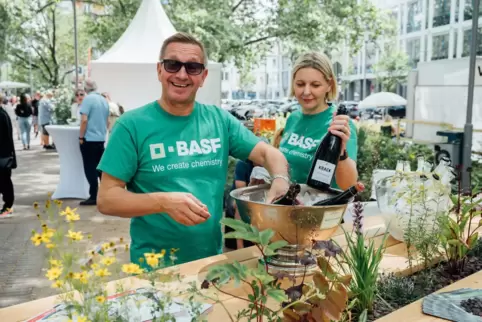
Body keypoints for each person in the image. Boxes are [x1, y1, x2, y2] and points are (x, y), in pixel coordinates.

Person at [96, 32, 290, 267]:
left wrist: (280, 179)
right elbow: (107, 199)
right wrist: (163, 202)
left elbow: (268, 153)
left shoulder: (219, 120)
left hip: (210, 263)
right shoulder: (132, 125)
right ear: (160, 70)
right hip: (153, 269)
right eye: (172, 64)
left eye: (192, 67)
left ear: (203, 76)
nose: (181, 74)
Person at [278, 52, 358, 190]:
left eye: (315, 85)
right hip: (290, 205)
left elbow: (348, 185)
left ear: (329, 85)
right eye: (300, 84)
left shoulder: (340, 124)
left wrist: (342, 153)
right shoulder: (293, 118)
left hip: (321, 208)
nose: (306, 91)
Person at [79, 80, 109, 206]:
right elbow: (107, 121)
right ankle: (105, 194)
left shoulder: (87, 100)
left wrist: (81, 136)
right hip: (100, 138)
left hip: (89, 139)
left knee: (89, 167)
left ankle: (93, 195)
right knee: (100, 168)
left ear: (85, 89)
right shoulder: (103, 100)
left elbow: (84, 120)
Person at [0, 94, 16, 218]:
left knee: (4, 180)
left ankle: (8, 206)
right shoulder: (3, 113)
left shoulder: (1, 115)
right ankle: (7, 205)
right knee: (5, 180)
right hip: (5, 153)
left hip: (3, 154)